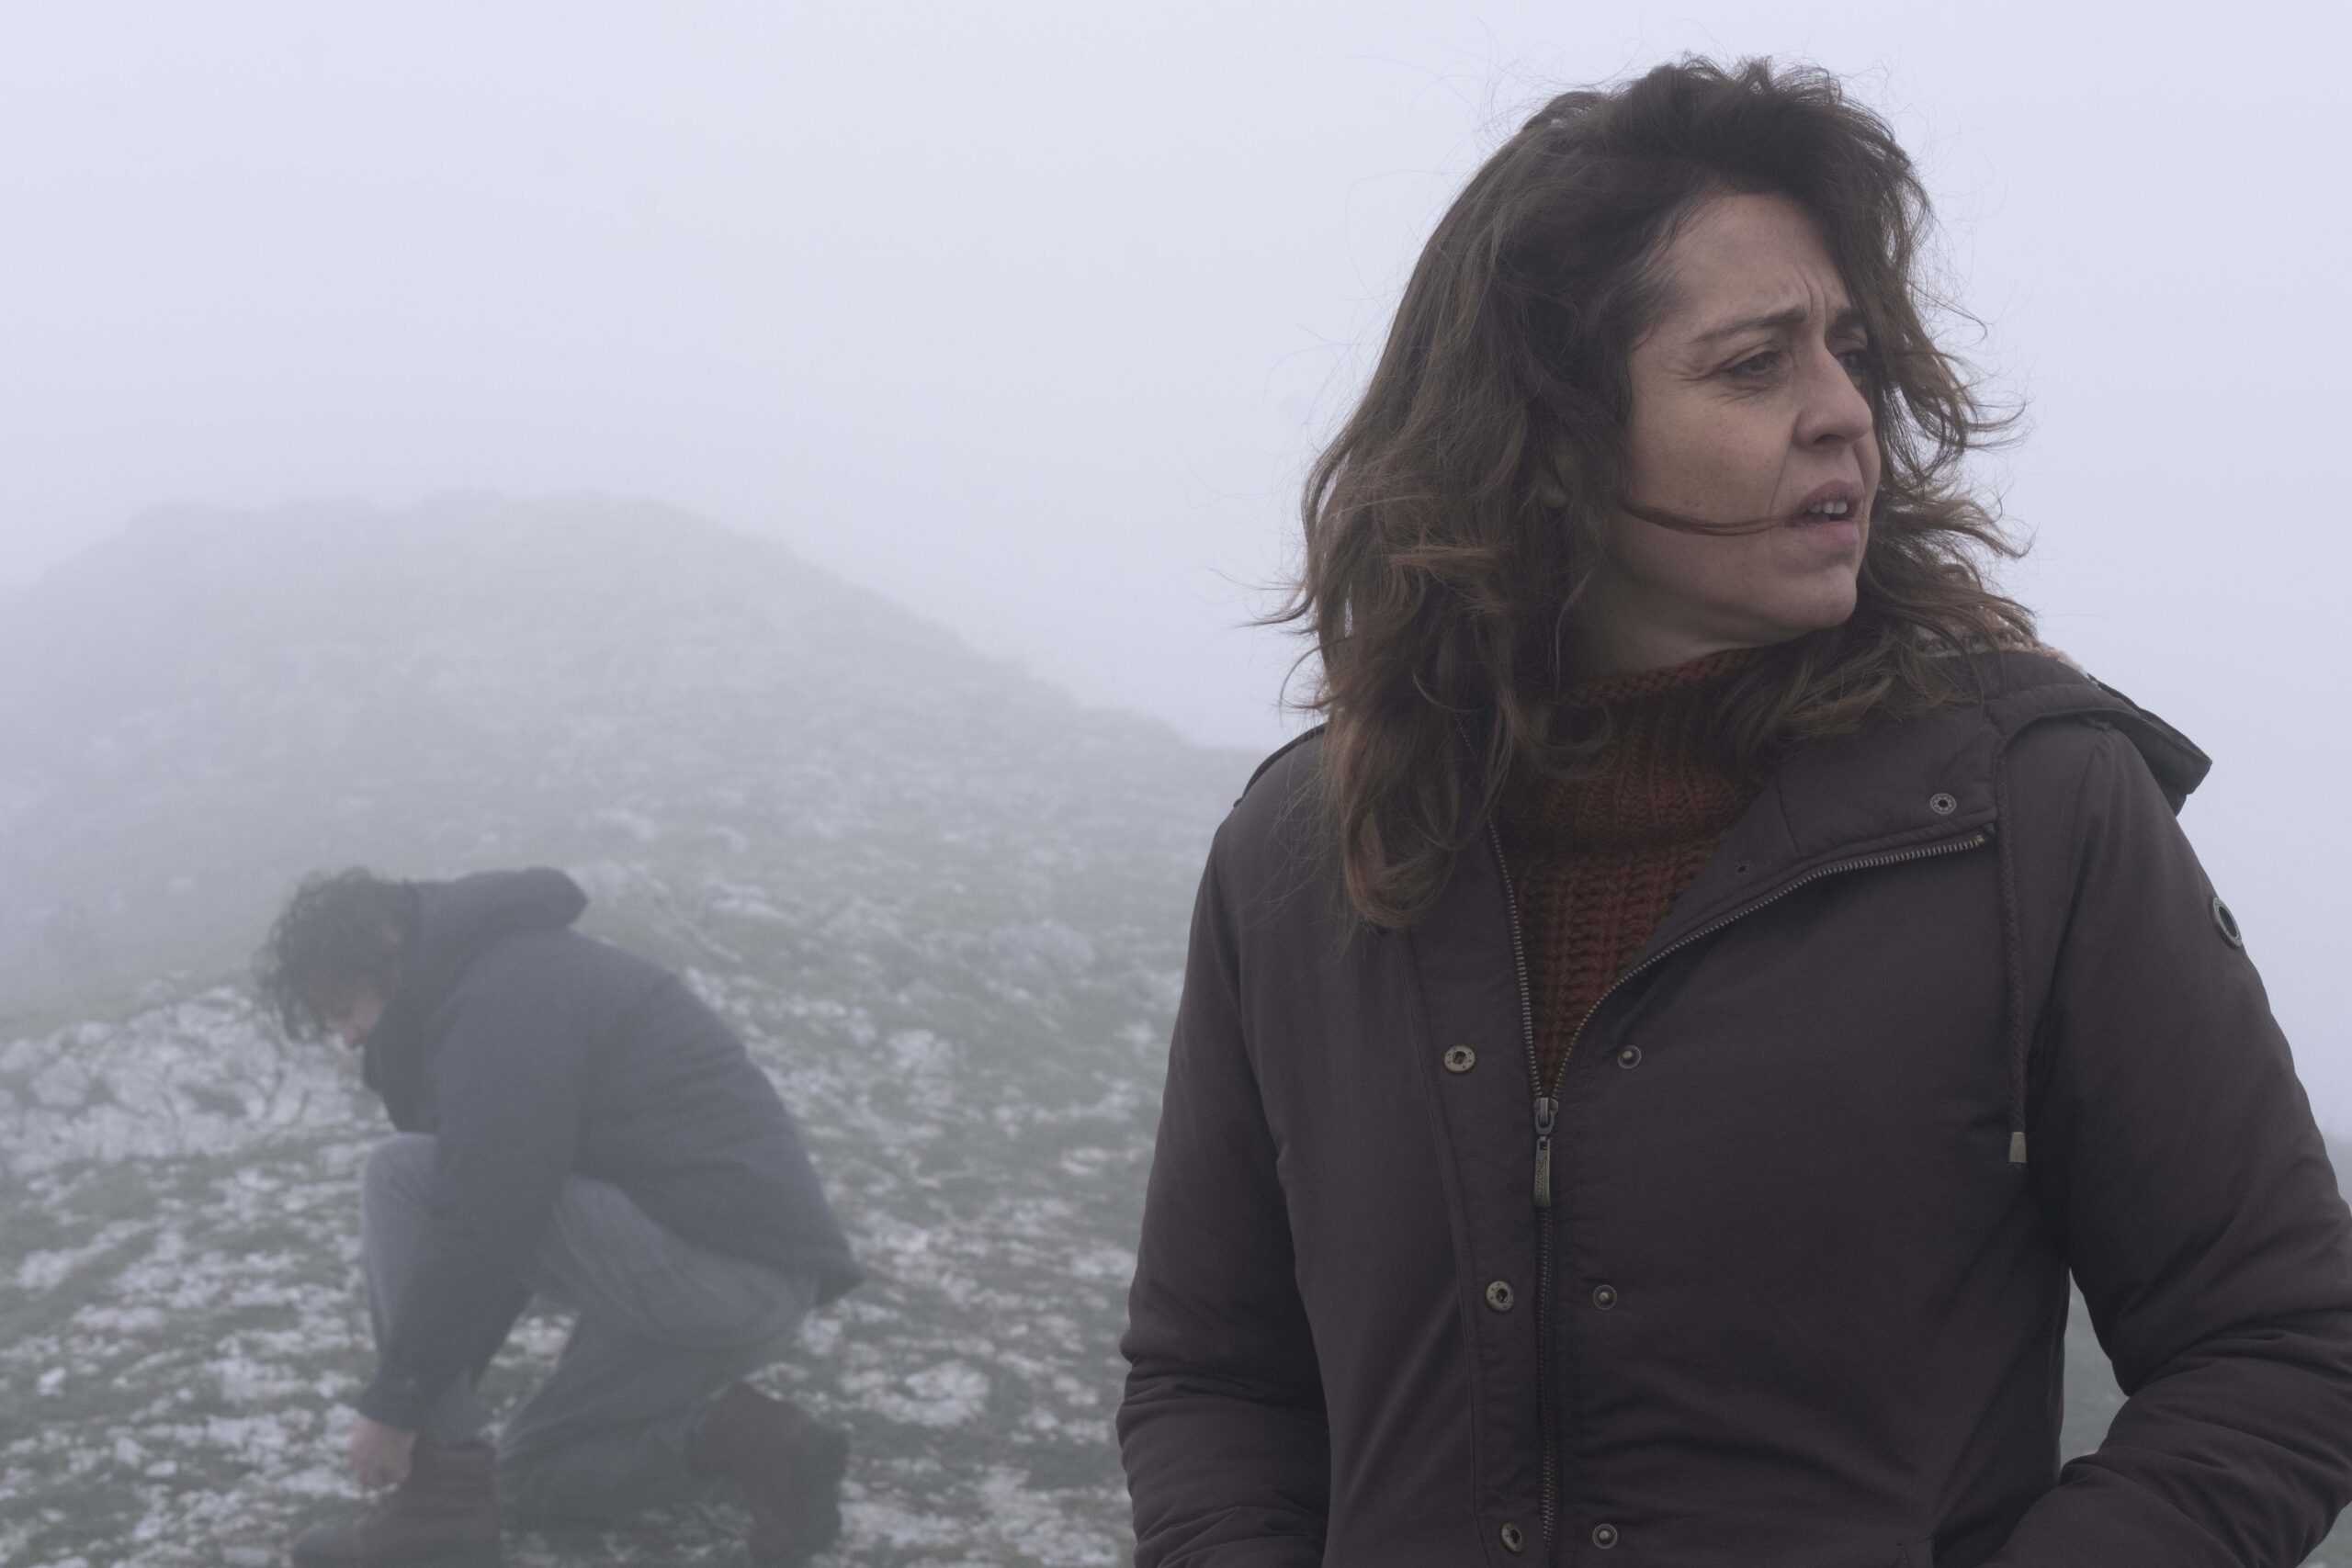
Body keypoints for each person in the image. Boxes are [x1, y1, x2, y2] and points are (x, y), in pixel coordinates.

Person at [1118, 56, 2352, 1567]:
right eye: (1755, 364)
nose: (1846, 413)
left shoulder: (2034, 809)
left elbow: (2283, 1343)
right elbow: (1218, 1375)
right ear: (1545, 431)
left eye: (1847, 351)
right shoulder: (1307, 853)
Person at [256, 866, 861, 1567]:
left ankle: (439, 1510)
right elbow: (505, 1226)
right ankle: (748, 1442)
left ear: (391, 947)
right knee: (528, 1470)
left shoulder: (506, 992)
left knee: (398, 1176)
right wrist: (434, 1395)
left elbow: (487, 1217)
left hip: (708, 1262)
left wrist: (404, 1407)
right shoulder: (501, 983)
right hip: (742, 1285)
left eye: (344, 1006)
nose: (350, 1038)